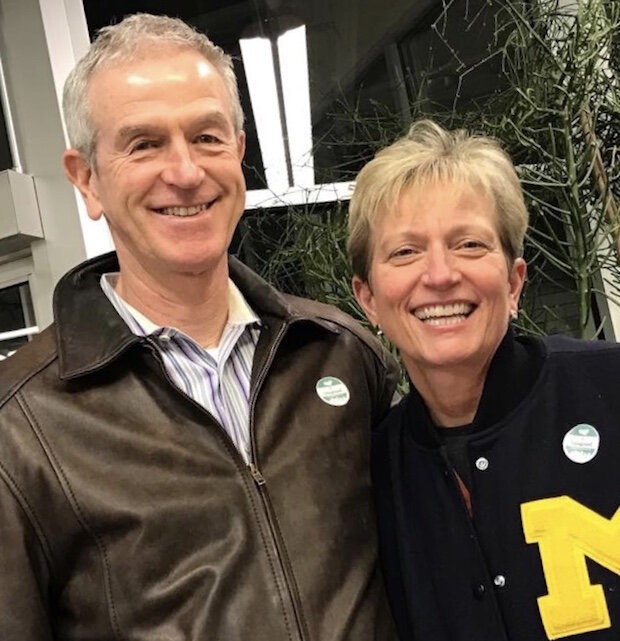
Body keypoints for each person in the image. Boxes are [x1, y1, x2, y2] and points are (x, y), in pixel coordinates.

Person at [0, 14, 399, 641]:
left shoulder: (339, 355)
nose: (185, 172)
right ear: (86, 179)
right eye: (144, 144)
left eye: (207, 137)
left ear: (239, 153)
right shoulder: (20, 429)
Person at [348, 119, 620, 641]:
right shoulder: (371, 474)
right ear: (368, 299)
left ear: (514, 280)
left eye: (469, 244)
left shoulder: (609, 390)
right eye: (405, 251)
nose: (440, 274)